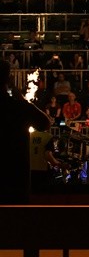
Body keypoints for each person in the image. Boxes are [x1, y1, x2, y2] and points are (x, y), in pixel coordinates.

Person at [0, 59, 53, 203]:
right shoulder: (19, 106)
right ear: (8, 79)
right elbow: (45, 123)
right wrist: (23, 100)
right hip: (16, 178)